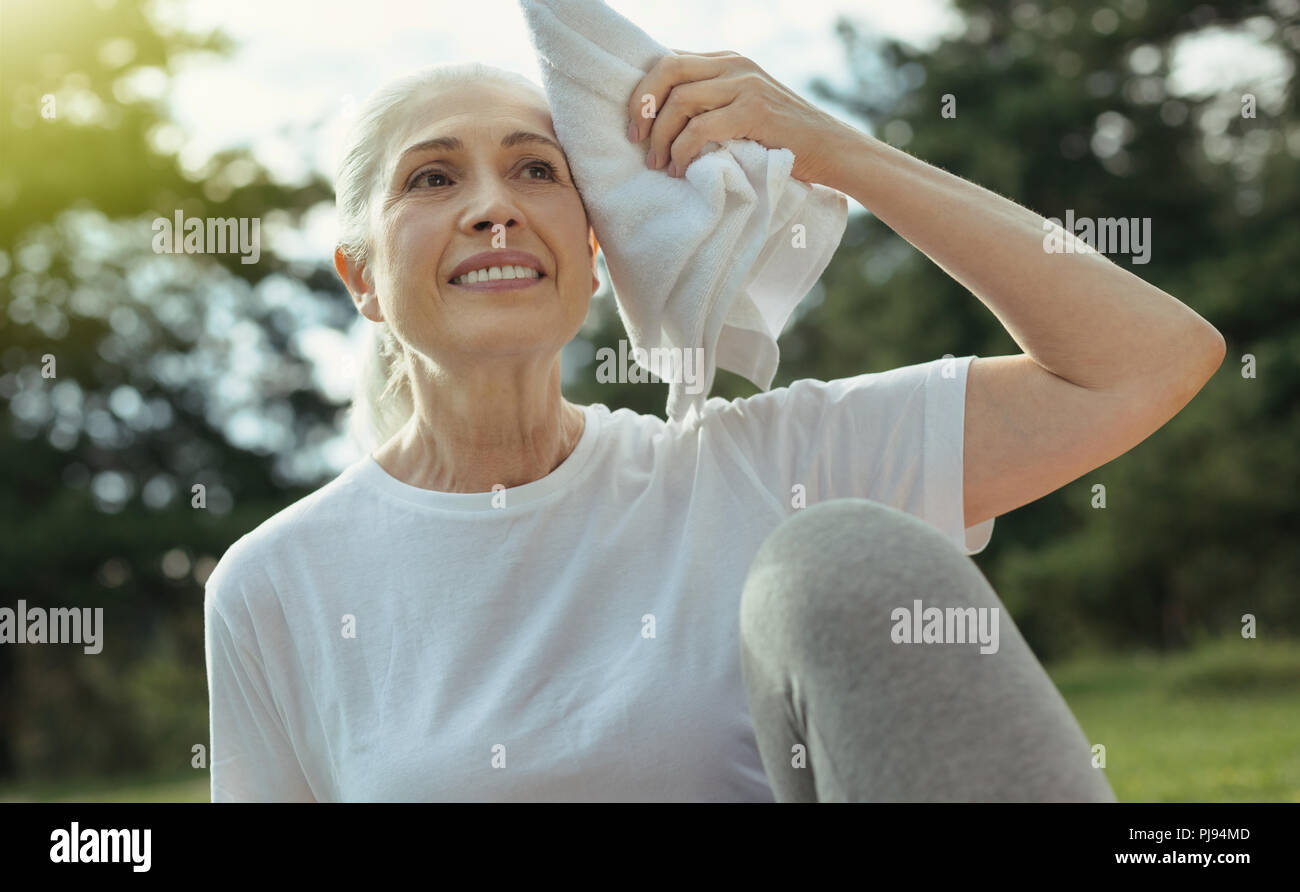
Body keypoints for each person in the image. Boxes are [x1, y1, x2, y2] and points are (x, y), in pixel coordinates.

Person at [203, 56, 1224, 801]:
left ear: (596, 252)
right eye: (432, 178)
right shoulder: (273, 585)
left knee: (838, 556)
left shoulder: (765, 465)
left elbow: (1145, 361)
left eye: (536, 172)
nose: (491, 208)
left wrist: (838, 155)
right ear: (361, 278)